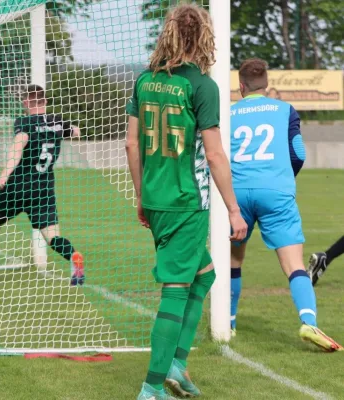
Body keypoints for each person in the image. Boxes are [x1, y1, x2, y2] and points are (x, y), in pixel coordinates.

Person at [125, 4, 248, 399]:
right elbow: (214, 155)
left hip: (158, 198)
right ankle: (152, 386)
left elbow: (131, 143)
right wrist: (233, 209)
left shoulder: (144, 80)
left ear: (169, 34)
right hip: (186, 201)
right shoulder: (203, 86)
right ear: (204, 37)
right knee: (176, 288)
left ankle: (176, 362)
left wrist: (141, 196)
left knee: (205, 274)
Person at [229, 58, 342, 352]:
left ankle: (227, 324)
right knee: (293, 265)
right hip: (276, 192)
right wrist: (280, 178)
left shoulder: (228, 113)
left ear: (241, 86)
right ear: (266, 85)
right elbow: (298, 153)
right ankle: (308, 322)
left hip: (237, 192)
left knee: (234, 260)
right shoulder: (285, 110)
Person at [0, 84, 85, 286]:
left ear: (26, 102)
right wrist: (65, 130)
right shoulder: (58, 121)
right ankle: (73, 257)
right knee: (52, 237)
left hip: (18, 186)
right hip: (44, 188)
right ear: (45, 101)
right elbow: (76, 131)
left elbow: (18, 147)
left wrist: (3, 175)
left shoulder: (24, 122)